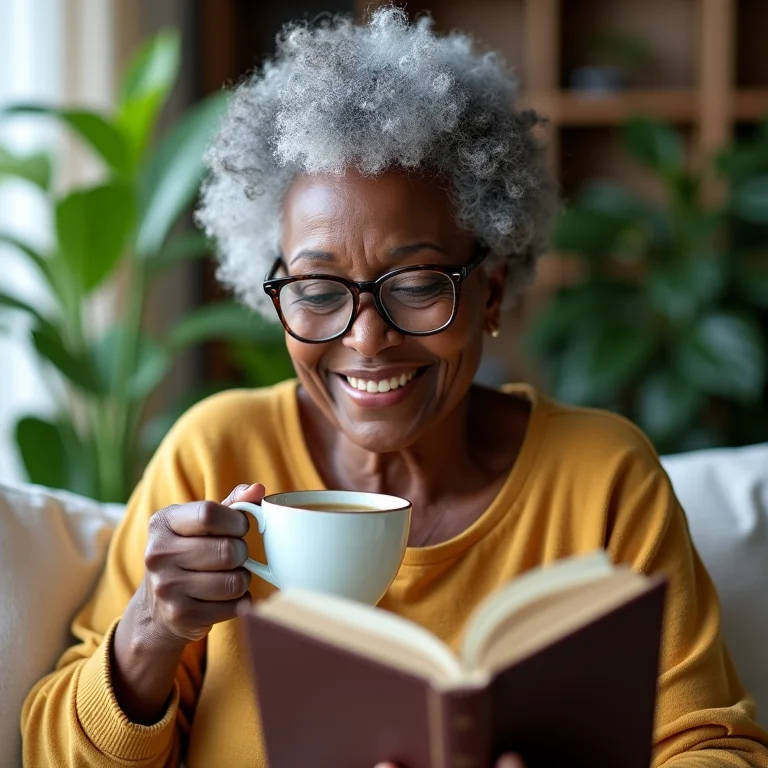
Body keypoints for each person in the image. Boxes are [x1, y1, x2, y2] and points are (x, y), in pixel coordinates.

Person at [21, 7, 768, 768]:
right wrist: (150, 629)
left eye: (415, 283)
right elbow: (52, 753)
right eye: (317, 290)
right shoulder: (215, 454)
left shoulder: (601, 478)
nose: (365, 337)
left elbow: (715, 747)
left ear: (493, 292)